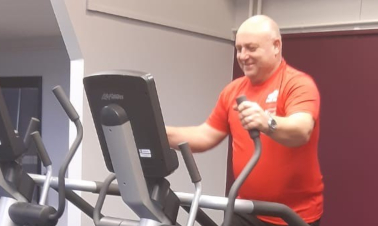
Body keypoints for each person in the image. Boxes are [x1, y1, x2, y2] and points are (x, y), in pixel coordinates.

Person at [166, 15, 323, 226]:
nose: (243, 55)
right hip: (247, 209)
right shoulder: (233, 91)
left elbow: (302, 129)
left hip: (292, 216)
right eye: (239, 49)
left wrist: (267, 122)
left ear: (276, 46)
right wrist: (157, 132)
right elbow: (205, 136)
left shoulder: (297, 84)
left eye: (251, 48)